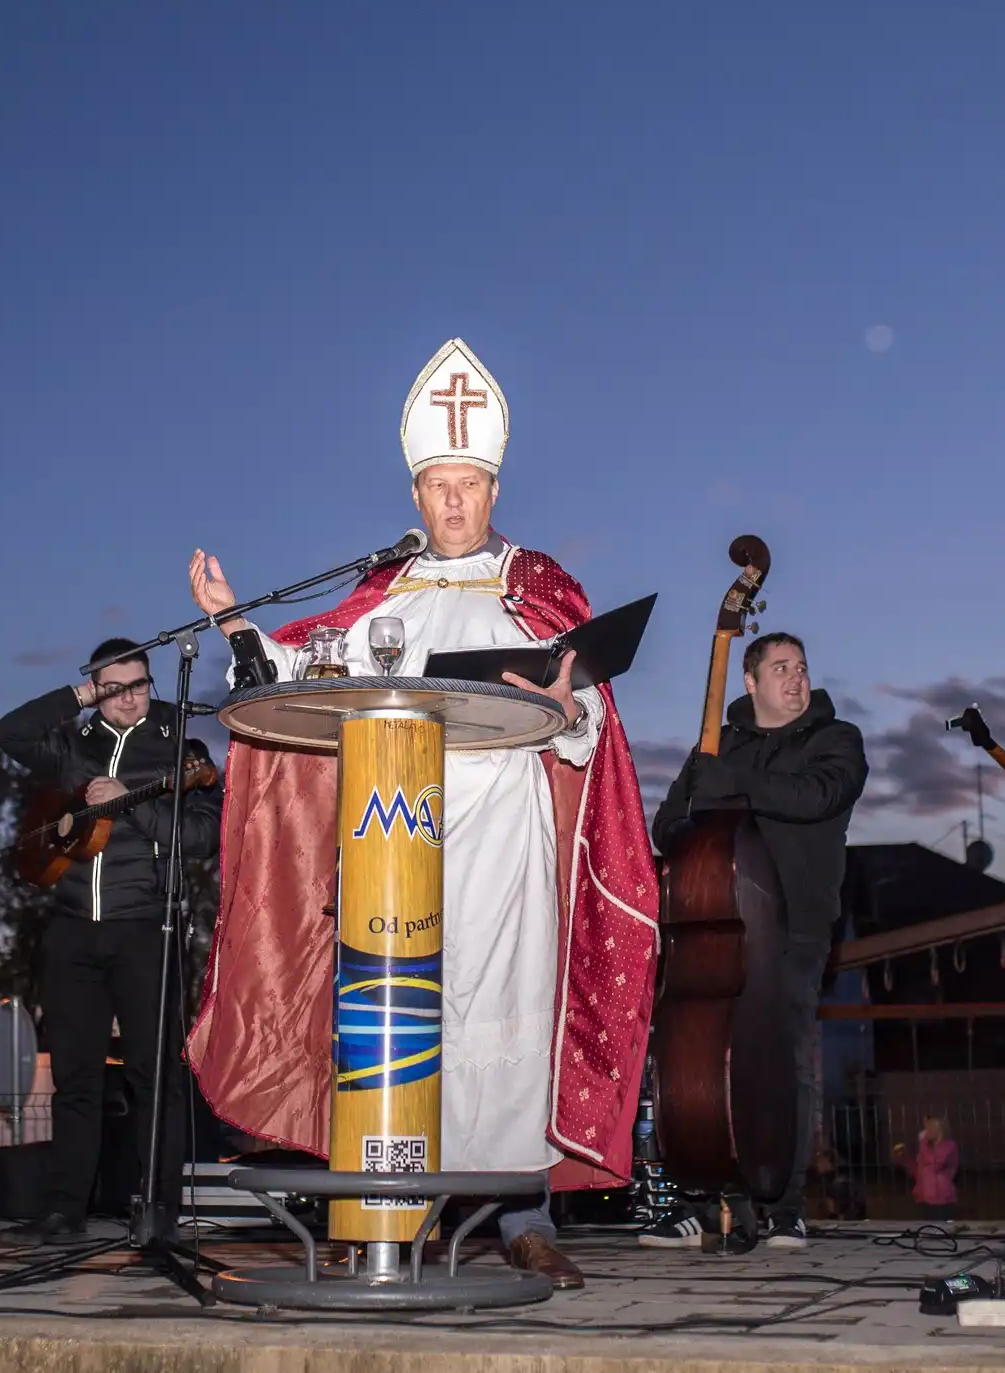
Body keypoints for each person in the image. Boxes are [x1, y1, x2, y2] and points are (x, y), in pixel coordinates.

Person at [184, 339, 661, 1290]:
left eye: (470, 485)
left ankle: (521, 1219)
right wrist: (236, 624)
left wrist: (569, 711)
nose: (453, 503)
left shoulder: (538, 588)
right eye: (438, 485)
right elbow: (310, 668)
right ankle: (386, 1211)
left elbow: (586, 723)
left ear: (494, 488)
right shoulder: (385, 594)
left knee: (505, 1017)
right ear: (415, 495)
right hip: (396, 836)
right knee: (404, 1025)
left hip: (507, 839)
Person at [0, 639, 222, 1248]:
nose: (131, 696)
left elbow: (202, 838)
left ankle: (159, 1213)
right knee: (74, 1080)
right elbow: (9, 733)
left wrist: (131, 808)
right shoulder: (74, 744)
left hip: (148, 927)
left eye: (140, 683)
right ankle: (66, 1212)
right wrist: (78, 698)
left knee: (155, 1078)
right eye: (114, 687)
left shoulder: (180, 745)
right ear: (95, 688)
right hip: (70, 931)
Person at [646, 632, 868, 1251]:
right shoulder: (715, 746)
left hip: (795, 926)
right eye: (780, 668)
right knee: (696, 1060)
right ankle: (696, 1197)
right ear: (749, 681)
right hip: (717, 924)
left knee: (785, 1062)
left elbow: (816, 796)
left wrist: (731, 781)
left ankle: (785, 1206)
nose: (795, 679)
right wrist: (703, 795)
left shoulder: (835, 738)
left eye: (801, 667)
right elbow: (667, 827)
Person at [894, 1114, 958, 1223]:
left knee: (943, 1228)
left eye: (931, 1128)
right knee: (928, 1228)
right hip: (926, 1197)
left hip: (942, 1198)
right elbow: (919, 1170)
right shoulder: (926, 1148)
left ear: (940, 1130)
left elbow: (936, 1163)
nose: (926, 1131)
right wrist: (904, 1159)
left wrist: (922, 1141)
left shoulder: (949, 1146)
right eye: (926, 1128)